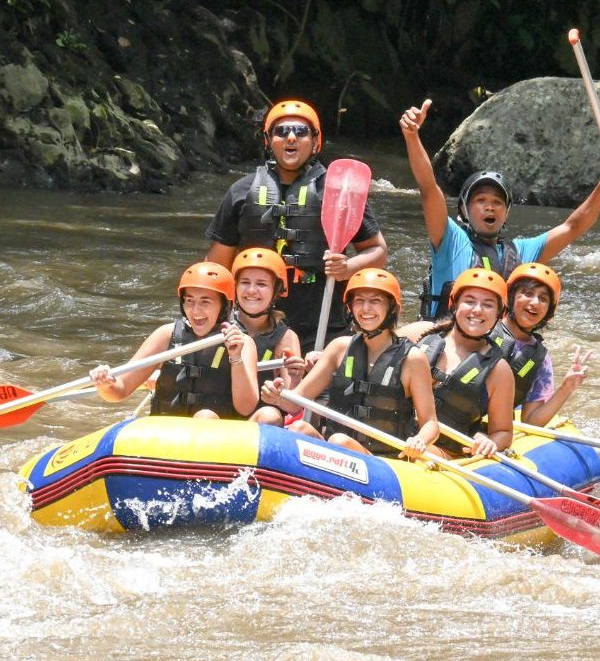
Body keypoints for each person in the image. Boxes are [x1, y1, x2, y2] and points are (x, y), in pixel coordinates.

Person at [205, 99, 388, 352]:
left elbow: (377, 251)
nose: (291, 137)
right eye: (281, 131)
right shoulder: (241, 191)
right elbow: (216, 268)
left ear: (315, 142)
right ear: (268, 141)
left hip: (323, 323)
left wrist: (348, 267)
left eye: (301, 132)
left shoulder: (337, 192)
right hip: (255, 323)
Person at [399, 99, 600, 319]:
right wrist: (412, 137)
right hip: (446, 343)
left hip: (494, 349)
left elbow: (573, 226)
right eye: (481, 200)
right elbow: (429, 188)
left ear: (506, 213)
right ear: (464, 211)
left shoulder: (520, 253)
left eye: (497, 202)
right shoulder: (449, 240)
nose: (490, 207)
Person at [260, 268, 440, 460]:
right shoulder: (339, 348)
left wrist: (420, 440)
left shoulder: (412, 359)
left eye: (375, 301)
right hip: (337, 454)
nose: (366, 309)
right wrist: (277, 396)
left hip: (385, 462)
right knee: (299, 428)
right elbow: (296, 402)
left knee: (340, 441)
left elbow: (431, 424)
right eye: (359, 301)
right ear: (350, 307)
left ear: (392, 308)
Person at [90, 262, 259, 419]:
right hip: (168, 435)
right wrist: (106, 384)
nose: (195, 310)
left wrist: (236, 357)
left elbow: (246, 408)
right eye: (189, 301)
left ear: (224, 306)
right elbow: (119, 391)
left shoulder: (242, 342)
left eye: (205, 301)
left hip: (213, 438)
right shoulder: (166, 335)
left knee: (205, 417)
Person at [411, 268, 515, 459]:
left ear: (499, 314)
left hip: (444, 453)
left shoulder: (499, 370)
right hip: (397, 437)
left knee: (422, 454)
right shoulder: (421, 335)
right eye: (469, 301)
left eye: (488, 304)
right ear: (454, 304)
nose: (477, 310)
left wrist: (490, 442)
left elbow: (504, 432)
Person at [493, 262, 592, 425]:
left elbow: (530, 421)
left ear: (549, 310)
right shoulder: (483, 328)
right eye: (527, 293)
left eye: (543, 298)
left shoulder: (540, 359)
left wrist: (565, 389)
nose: (535, 302)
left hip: (492, 433)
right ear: (511, 297)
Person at [231, 247, 304, 425]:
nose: (251, 290)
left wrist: (295, 379)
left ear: (276, 291)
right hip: (215, 419)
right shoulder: (219, 326)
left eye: (261, 284)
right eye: (245, 282)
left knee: (270, 415)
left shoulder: (286, 337)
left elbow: (293, 406)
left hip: (257, 425)